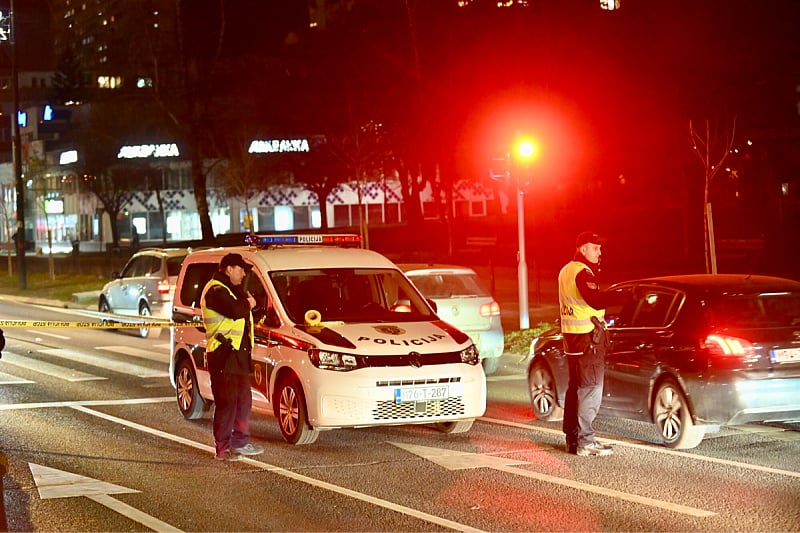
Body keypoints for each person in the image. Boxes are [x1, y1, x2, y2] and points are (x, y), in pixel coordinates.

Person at [557, 231, 618, 457]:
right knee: (591, 389)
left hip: (572, 339)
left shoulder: (565, 270)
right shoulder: (583, 272)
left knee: (575, 389)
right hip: (588, 339)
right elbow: (595, 300)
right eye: (595, 248)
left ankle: (572, 439)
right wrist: (621, 296)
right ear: (583, 249)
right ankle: (586, 441)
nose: (599, 252)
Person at [201, 252, 265, 461]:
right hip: (223, 355)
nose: (244, 273)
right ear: (229, 269)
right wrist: (249, 304)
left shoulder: (233, 290)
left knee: (243, 402)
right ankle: (223, 447)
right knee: (227, 403)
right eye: (241, 269)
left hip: (237, 356)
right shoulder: (216, 290)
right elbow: (235, 311)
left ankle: (240, 442)